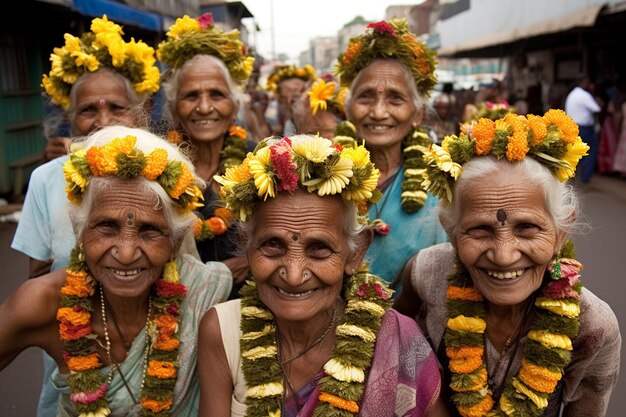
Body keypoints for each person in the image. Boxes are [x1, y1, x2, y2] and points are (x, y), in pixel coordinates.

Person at [198, 134, 449, 417]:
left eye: (318, 248)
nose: (293, 276)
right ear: (247, 246)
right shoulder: (222, 330)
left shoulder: (396, 339)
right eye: (272, 246)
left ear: (355, 253)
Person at [394, 110, 621, 416]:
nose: (503, 256)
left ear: (560, 232)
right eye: (480, 229)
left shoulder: (592, 327)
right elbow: (391, 341)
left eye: (527, 228)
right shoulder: (427, 272)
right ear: (451, 232)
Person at [0, 125, 232, 416]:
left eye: (149, 231)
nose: (125, 253)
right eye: (107, 227)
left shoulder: (205, 296)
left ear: (175, 243)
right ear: (79, 230)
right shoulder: (44, 304)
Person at [10, 15, 161, 416]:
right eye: (88, 109)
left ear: (141, 111)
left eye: (117, 107)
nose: (103, 120)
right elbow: (38, 276)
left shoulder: (164, 175)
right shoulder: (46, 179)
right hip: (73, 352)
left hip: (158, 349)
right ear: (70, 118)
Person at [333, 18, 448, 291]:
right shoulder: (322, 176)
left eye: (395, 98)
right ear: (348, 109)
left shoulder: (441, 185)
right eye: (365, 97)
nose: (378, 112)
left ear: (417, 114)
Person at [157, 13, 256, 296]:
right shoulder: (155, 163)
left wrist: (251, 261)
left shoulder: (261, 162)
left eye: (216, 95)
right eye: (191, 96)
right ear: (174, 107)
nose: (204, 107)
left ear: (234, 105)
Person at [564, 75, 601, 183]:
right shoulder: (585, 95)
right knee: (589, 151)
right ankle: (585, 177)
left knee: (574, 152)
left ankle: (571, 175)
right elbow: (597, 109)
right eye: (588, 83)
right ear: (583, 82)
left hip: (572, 126)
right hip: (585, 128)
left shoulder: (571, 94)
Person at [265, 64, 317, 135]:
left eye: (295, 97)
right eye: (283, 99)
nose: (288, 102)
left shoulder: (322, 120)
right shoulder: (288, 123)